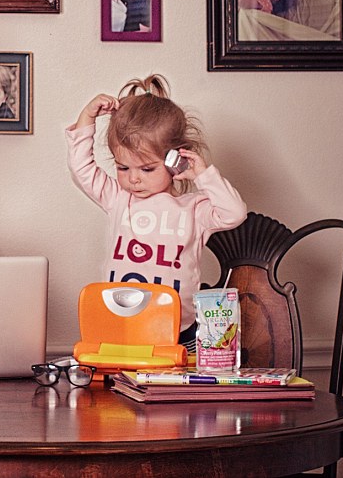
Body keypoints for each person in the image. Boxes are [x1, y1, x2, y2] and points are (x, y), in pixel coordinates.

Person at [65, 75, 247, 351]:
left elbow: (234, 213)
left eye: (147, 169)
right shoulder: (118, 199)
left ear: (175, 161)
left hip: (179, 330)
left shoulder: (194, 209)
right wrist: (87, 118)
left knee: (176, 379)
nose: (133, 179)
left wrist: (202, 175)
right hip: (123, 323)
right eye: (123, 168)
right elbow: (81, 168)